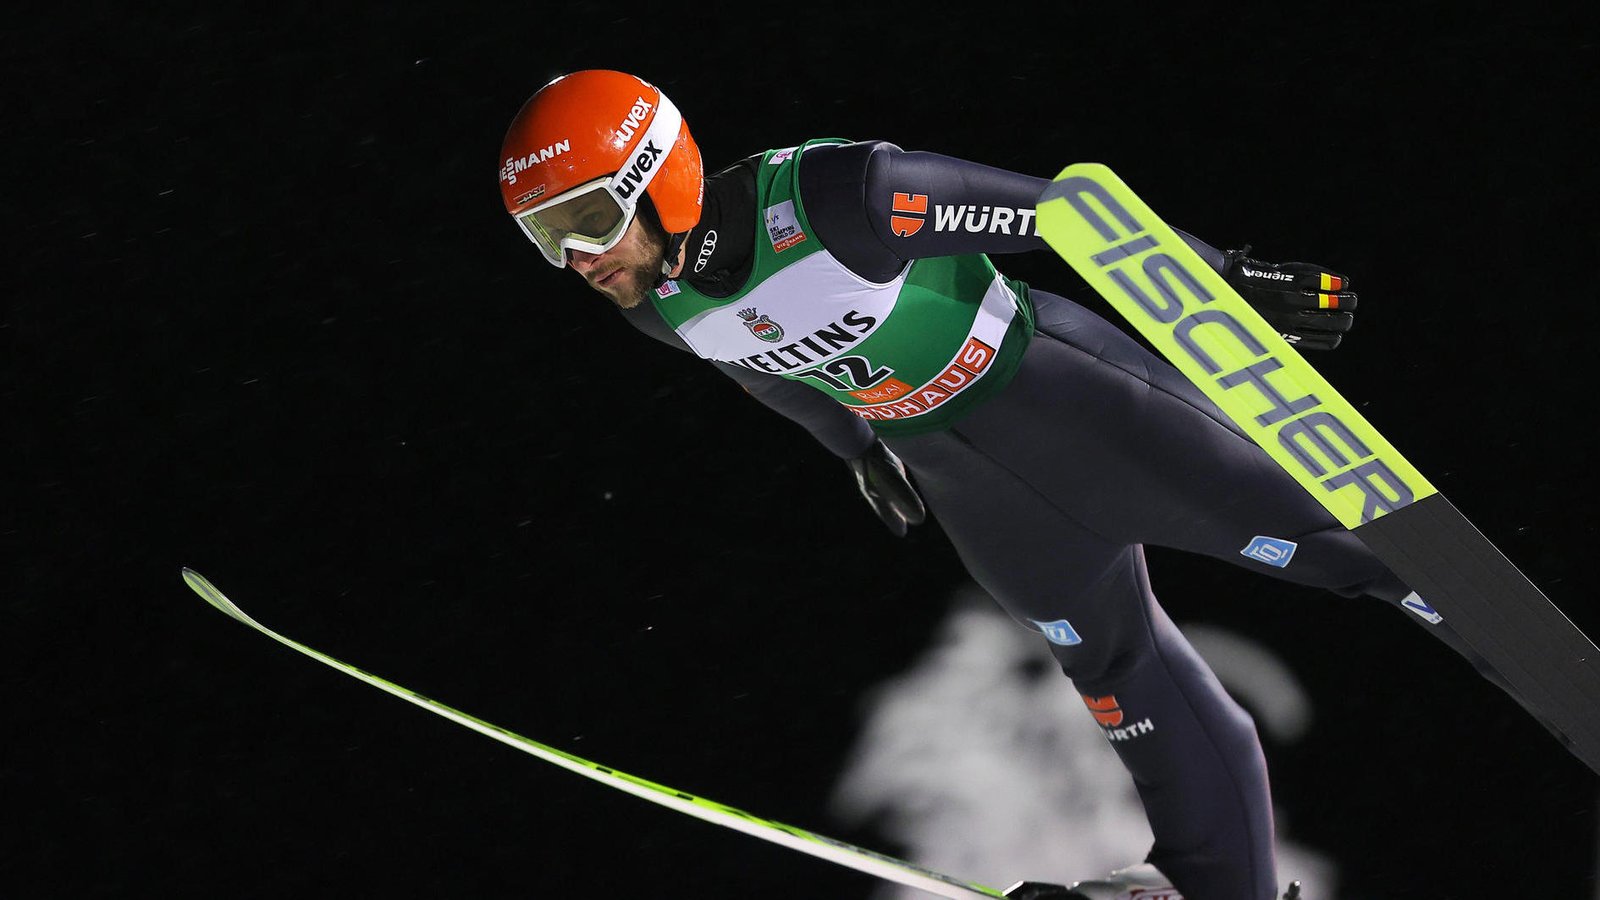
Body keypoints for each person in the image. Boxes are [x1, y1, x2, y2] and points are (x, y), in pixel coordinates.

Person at [495, 70, 1507, 900]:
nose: (577, 258)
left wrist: (1224, 278)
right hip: (970, 485)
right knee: (1116, 670)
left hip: (1073, 404)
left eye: (588, 219)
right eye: (547, 237)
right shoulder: (655, 306)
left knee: (1355, 553)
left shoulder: (834, 196)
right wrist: (857, 450)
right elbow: (766, 372)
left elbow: (1067, 214)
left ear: (659, 176)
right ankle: (1216, 880)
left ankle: (1524, 650)